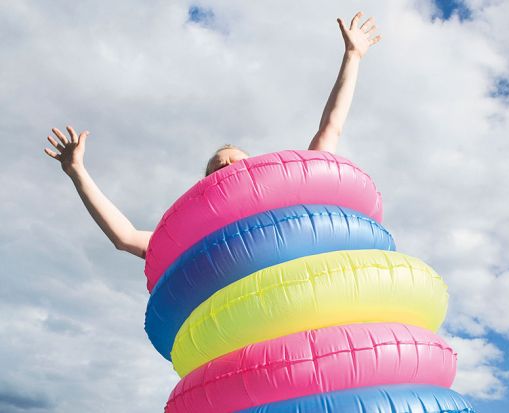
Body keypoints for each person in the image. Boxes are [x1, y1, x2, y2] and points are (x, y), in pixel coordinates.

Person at [43, 11, 382, 260]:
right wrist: (77, 172)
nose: (228, 169)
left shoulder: (288, 201)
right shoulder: (200, 235)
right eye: (218, 167)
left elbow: (329, 130)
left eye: (235, 161)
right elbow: (126, 237)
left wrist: (352, 57)